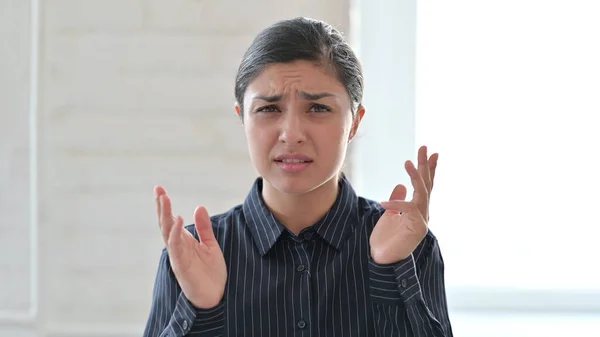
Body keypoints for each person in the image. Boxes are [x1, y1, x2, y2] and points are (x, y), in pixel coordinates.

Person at [143, 17, 453, 337]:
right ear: (242, 118)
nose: (291, 135)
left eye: (317, 108)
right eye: (268, 109)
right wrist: (200, 311)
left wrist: (391, 272)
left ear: (355, 122)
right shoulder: (189, 255)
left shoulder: (410, 244)